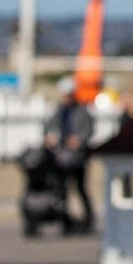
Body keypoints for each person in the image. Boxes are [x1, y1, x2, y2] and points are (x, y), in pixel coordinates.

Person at [45, 77, 94, 231]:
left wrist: (78, 140)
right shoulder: (59, 110)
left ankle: (88, 220)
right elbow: (48, 127)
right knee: (62, 189)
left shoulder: (82, 111)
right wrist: (50, 136)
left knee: (80, 188)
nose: (66, 98)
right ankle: (65, 221)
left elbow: (88, 131)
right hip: (61, 156)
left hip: (78, 158)